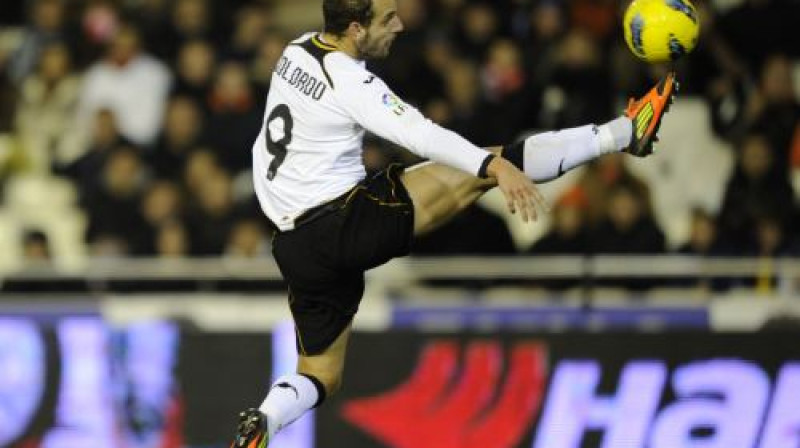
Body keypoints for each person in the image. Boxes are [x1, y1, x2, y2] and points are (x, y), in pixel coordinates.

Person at [231, 0, 676, 445]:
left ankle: (265, 421)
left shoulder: (295, 51)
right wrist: (490, 167)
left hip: (294, 244)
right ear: (355, 29)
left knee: (320, 375)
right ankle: (623, 133)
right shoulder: (350, 80)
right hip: (343, 220)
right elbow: (423, 135)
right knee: (481, 166)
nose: (400, 26)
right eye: (388, 19)